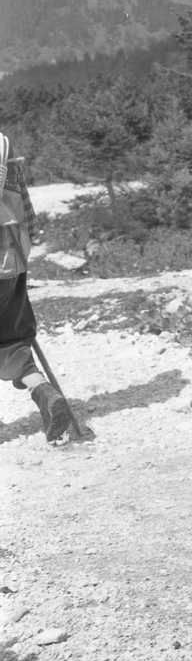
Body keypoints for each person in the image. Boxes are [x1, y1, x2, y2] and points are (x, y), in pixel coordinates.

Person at [0, 147, 72, 444]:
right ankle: (43, 391)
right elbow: (25, 207)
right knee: (11, 337)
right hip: (11, 255)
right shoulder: (3, 143)